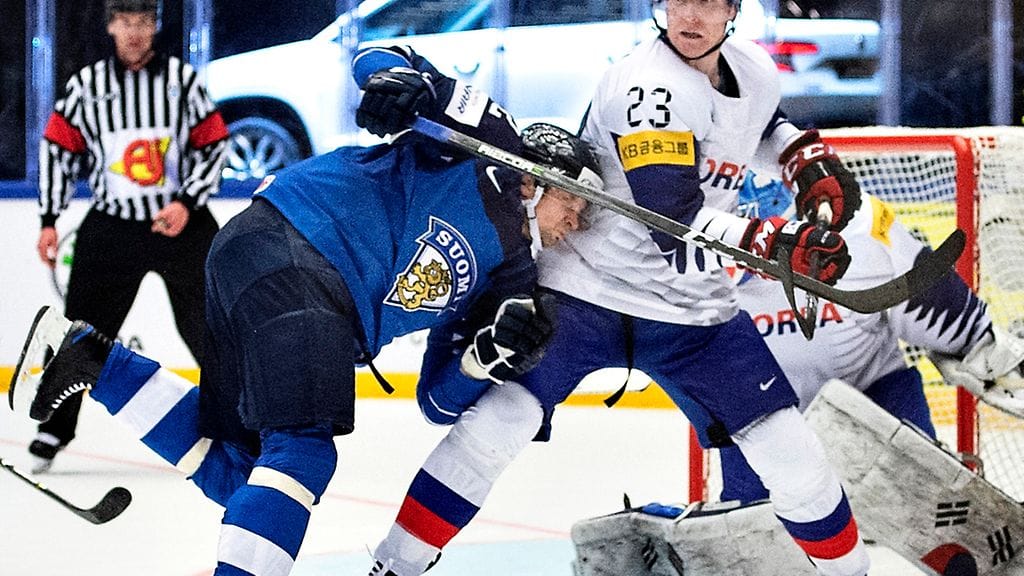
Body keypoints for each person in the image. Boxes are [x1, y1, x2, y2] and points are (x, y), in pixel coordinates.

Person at [14, 44, 592, 576]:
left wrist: (483, 358)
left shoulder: (514, 282)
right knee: (304, 451)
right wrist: (414, 87)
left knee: (239, 471)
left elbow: (437, 403)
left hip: (267, 267)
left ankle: (92, 361)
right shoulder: (487, 142)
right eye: (576, 202)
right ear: (538, 179)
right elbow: (375, 58)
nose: (579, 223)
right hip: (304, 249)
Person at [368, 1, 872, 575]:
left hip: (692, 305)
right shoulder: (646, 87)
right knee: (495, 426)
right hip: (585, 290)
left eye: (709, 0)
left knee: (794, 456)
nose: (691, 13)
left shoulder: (754, 67)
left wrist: (796, 158)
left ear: (734, 9)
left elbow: (760, 120)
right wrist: (773, 244)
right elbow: (671, 223)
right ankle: (393, 566)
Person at [719, 173, 1024, 503]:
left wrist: (980, 344)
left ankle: (922, 491)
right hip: (761, 416)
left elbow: (939, 307)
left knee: (927, 498)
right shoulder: (693, 254)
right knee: (753, 517)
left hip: (874, 399)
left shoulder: (858, 227)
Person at [30, 0, 228, 473]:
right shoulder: (86, 86)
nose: (135, 32)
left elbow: (214, 142)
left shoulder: (182, 81)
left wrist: (188, 202)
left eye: (143, 23)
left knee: (212, 328)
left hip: (180, 222)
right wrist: (49, 218)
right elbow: (58, 149)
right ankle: (55, 425)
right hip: (113, 225)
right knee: (82, 329)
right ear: (111, 27)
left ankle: (232, 421)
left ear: (155, 28)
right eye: (126, 23)